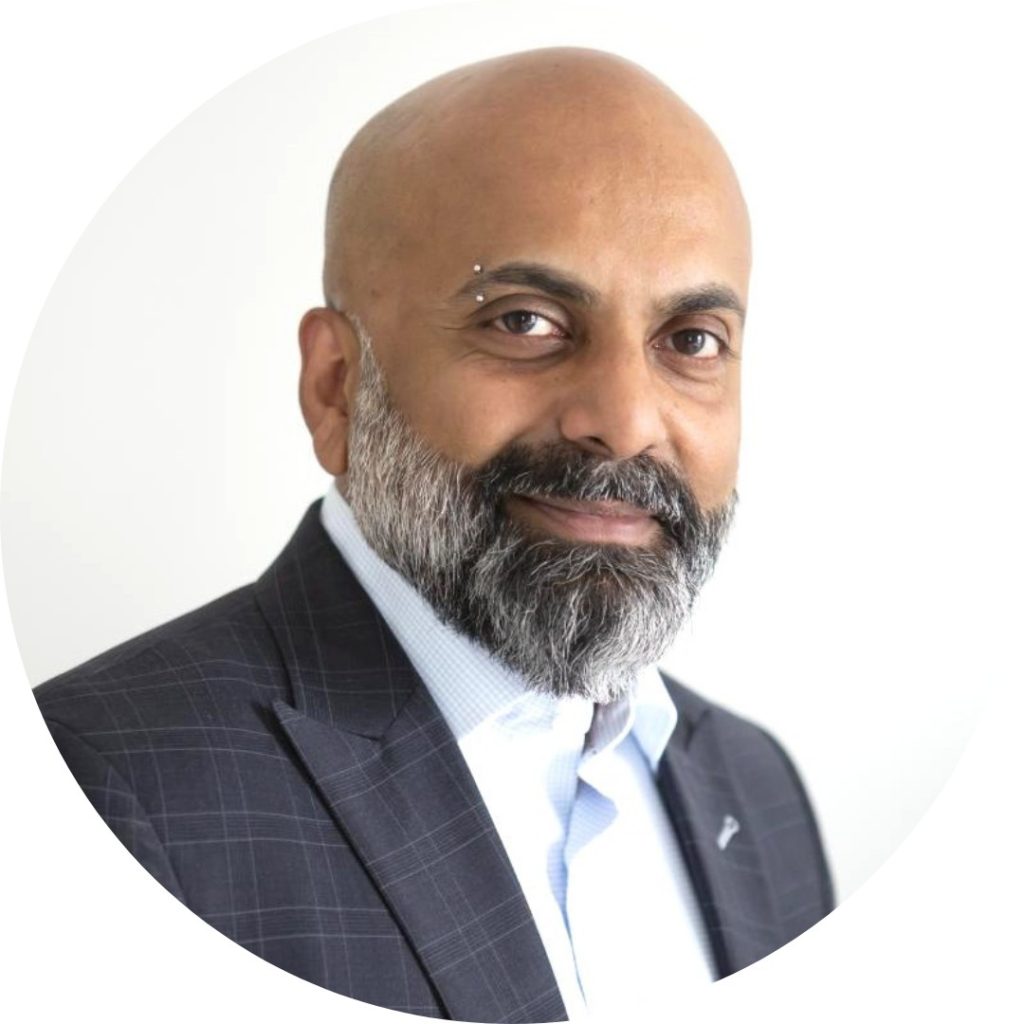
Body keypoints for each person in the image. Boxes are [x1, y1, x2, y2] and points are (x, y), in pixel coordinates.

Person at [34, 47, 833, 1021]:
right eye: (525, 322)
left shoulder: (761, 792)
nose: (626, 422)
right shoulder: (101, 792)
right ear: (336, 386)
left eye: (691, 341)